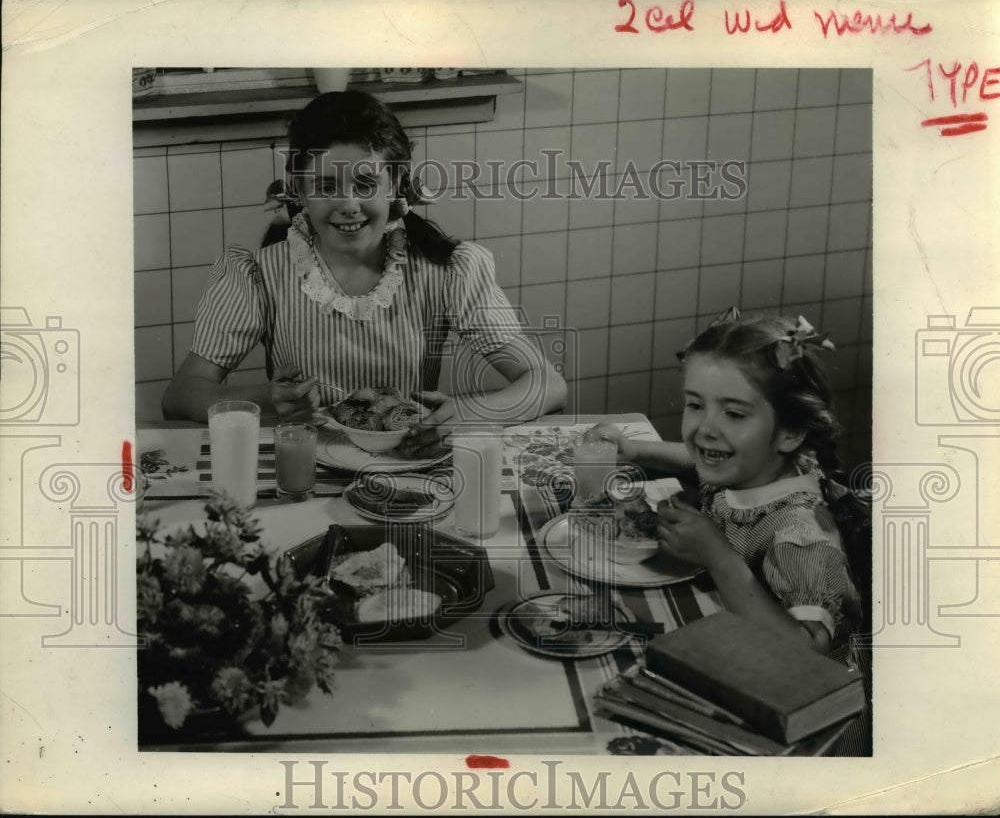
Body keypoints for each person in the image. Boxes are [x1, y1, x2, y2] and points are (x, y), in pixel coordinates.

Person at [161, 91, 566, 453]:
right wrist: (269, 398)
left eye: (366, 184)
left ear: (396, 185)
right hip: (304, 471)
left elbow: (547, 384)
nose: (348, 205)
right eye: (326, 186)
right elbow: (180, 396)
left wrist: (466, 413)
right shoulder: (259, 274)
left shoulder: (447, 270)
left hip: (410, 467)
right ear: (299, 191)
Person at [594, 309, 871, 752]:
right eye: (695, 405)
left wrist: (718, 557)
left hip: (804, 729)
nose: (705, 428)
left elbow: (804, 653)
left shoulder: (801, 536)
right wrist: (635, 450)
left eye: (734, 414)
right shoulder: (756, 466)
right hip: (740, 656)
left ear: (790, 433)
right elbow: (700, 460)